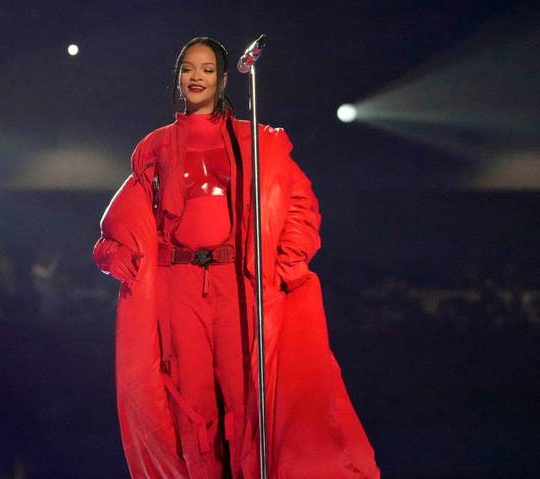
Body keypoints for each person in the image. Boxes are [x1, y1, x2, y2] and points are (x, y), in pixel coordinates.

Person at [94, 37, 379, 479]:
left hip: (237, 282)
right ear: (178, 76)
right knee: (191, 396)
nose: (196, 77)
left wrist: (288, 257)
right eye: (189, 68)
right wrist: (111, 251)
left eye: (207, 69)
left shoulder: (254, 140)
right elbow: (123, 217)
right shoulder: (156, 146)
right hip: (179, 282)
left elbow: (299, 201)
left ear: (224, 78)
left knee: (246, 389)